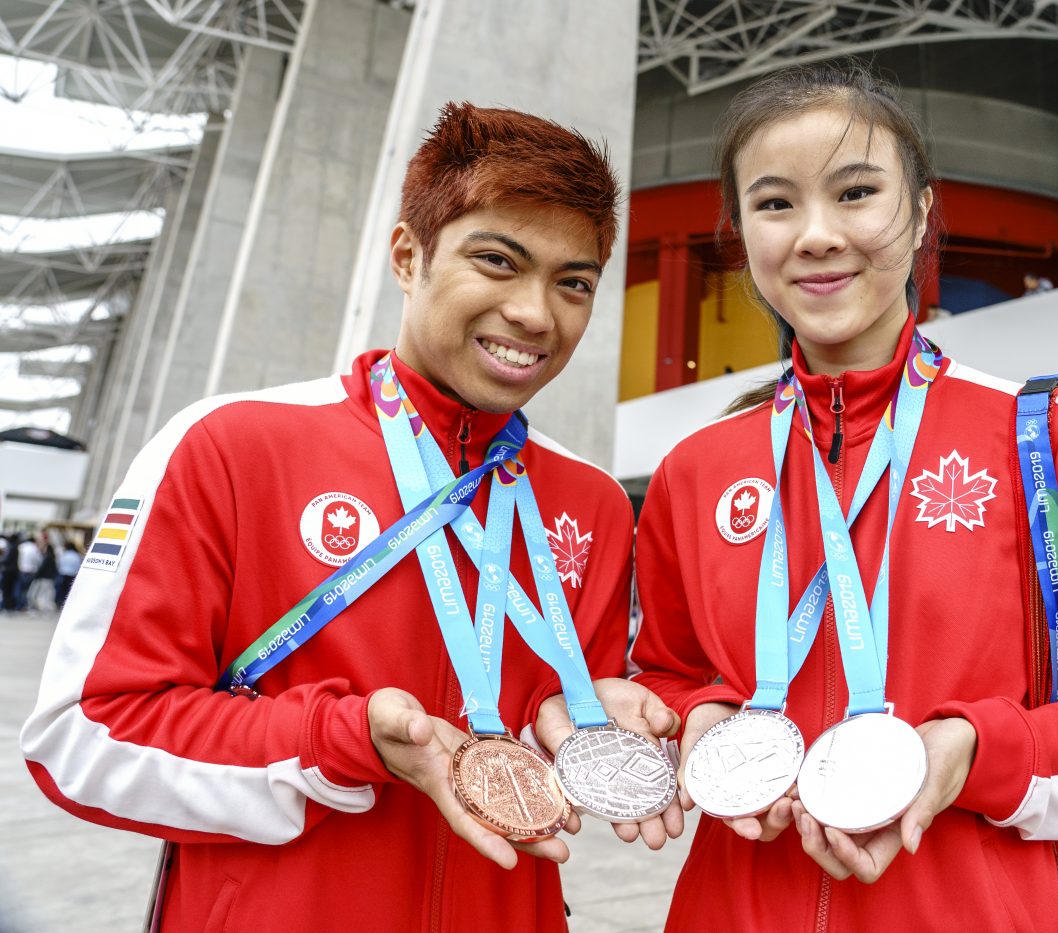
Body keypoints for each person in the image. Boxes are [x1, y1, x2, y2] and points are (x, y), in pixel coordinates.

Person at [22, 103, 678, 933]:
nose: (536, 314)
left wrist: (593, 719)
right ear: (409, 256)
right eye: (497, 261)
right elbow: (82, 738)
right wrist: (341, 738)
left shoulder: (588, 500)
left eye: (572, 282)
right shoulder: (232, 445)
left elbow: (550, 716)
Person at [631, 63, 1058, 931]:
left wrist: (978, 752)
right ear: (742, 235)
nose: (817, 235)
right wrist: (698, 718)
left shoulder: (1046, 440)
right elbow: (668, 674)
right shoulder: (696, 469)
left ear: (919, 212)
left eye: (856, 192)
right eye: (775, 204)